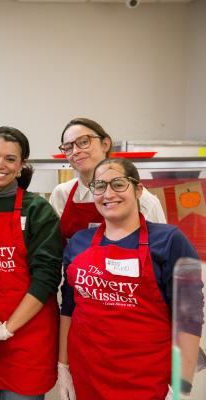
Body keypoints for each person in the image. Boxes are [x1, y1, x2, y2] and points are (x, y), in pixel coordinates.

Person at [57, 158, 203, 400]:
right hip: (87, 372)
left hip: (145, 377)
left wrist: (180, 384)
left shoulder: (169, 240)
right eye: (100, 186)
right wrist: (63, 366)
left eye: (118, 184)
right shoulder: (79, 242)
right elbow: (69, 308)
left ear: (138, 189)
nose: (108, 193)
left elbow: (189, 317)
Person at [0, 127, 62, 400]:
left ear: (21, 166)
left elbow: (47, 276)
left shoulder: (38, 210)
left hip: (29, 335)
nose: (0, 165)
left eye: (10, 159)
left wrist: (8, 328)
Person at [49, 118, 166, 241]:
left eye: (83, 142)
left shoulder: (141, 199)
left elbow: (160, 246)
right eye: (68, 148)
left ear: (105, 144)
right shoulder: (62, 194)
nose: (75, 151)